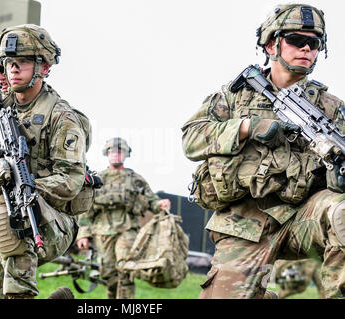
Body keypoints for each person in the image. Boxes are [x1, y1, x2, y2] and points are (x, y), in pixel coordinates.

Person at [182, 4, 345, 299]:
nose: (307, 48)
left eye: (315, 43)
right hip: (245, 221)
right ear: (272, 44)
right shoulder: (234, 97)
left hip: (304, 216)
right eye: (297, 40)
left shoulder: (330, 108)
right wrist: (245, 127)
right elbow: (192, 139)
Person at [0, 24, 90, 299]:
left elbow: (71, 179)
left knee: (12, 218)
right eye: (9, 63)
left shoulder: (62, 117)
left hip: (47, 222)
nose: (12, 69)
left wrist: (25, 187)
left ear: (44, 68)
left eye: (22, 62)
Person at [76, 137, 171, 299]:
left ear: (126, 154)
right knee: (109, 274)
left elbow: (151, 200)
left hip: (127, 230)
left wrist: (160, 204)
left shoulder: (135, 179)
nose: (116, 155)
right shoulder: (97, 178)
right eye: (112, 151)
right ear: (107, 154)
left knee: (125, 270)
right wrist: (83, 234)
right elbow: (86, 209)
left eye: (119, 152)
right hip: (102, 232)